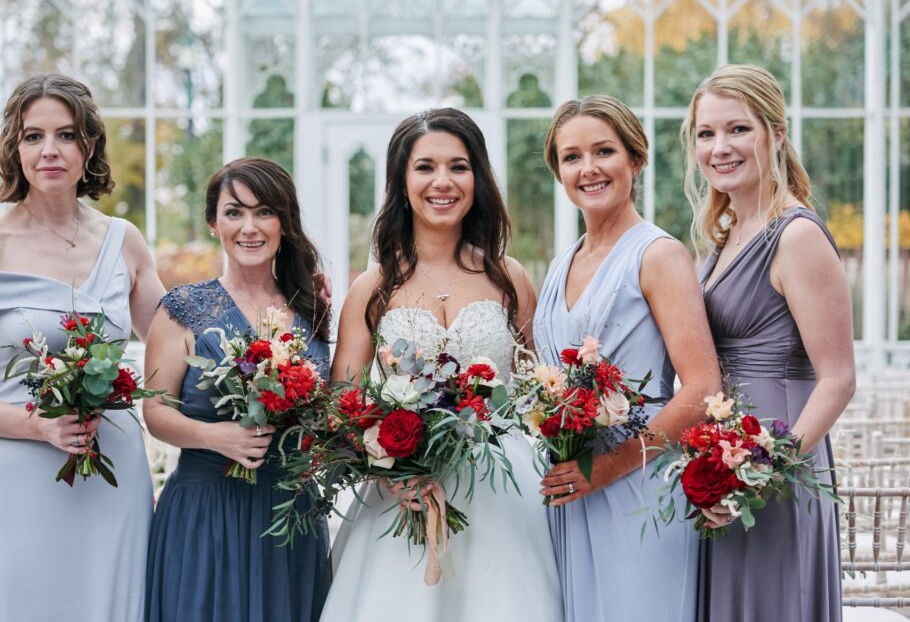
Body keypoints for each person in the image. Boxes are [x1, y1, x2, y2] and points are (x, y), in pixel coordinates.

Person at [0, 74, 165, 621]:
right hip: (19, 472)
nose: (49, 150)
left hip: (112, 466)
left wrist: (278, 291)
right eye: (33, 136)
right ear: (16, 149)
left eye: (66, 134)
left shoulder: (124, 241)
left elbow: (177, 340)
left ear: (89, 147)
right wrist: (36, 425)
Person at [323, 108, 563, 621]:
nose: (442, 182)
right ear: (401, 181)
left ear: (477, 178)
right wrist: (390, 473)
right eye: (425, 167)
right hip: (403, 494)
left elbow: (538, 391)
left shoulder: (508, 277)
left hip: (503, 489)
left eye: (458, 166)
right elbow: (341, 404)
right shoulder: (373, 288)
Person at [534, 95, 721, 622]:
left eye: (604, 151)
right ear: (558, 172)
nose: (588, 169)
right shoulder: (559, 263)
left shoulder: (658, 255)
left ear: (634, 160)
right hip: (573, 486)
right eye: (571, 157)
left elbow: (704, 387)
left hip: (639, 484)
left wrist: (610, 466)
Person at [682, 63, 854, 622]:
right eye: (706, 134)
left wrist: (761, 472)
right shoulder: (726, 236)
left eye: (738, 129)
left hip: (776, 467)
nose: (719, 147)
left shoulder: (796, 235)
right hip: (723, 466)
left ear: (775, 134)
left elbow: (838, 378)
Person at [143, 158, 332, 622]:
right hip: (207, 509)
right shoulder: (181, 309)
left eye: (264, 211)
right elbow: (155, 412)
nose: (250, 227)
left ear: (284, 223)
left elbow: (330, 406)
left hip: (290, 511)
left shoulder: (312, 308)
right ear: (213, 223)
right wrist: (216, 436)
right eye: (234, 212)